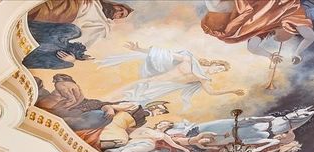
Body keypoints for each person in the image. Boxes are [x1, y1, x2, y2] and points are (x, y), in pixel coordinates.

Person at [98, 43, 244, 108]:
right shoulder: (188, 59)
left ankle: (105, 107)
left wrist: (232, 91)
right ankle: (100, 102)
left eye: (220, 71)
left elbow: (212, 92)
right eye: (219, 67)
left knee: (129, 100)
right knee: (122, 92)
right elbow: (163, 54)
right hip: (153, 80)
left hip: (159, 89)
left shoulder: (202, 78)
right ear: (213, 63)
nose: (217, 71)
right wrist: (139, 49)